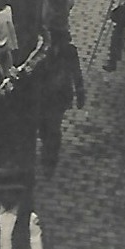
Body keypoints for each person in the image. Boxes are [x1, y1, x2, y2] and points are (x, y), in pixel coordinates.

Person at [36, 30, 84, 177]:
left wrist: (80, 92)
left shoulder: (70, 52)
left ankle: (50, 162)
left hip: (59, 97)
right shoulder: (42, 51)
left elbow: (77, 72)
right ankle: (46, 144)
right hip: (42, 96)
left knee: (53, 128)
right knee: (43, 127)